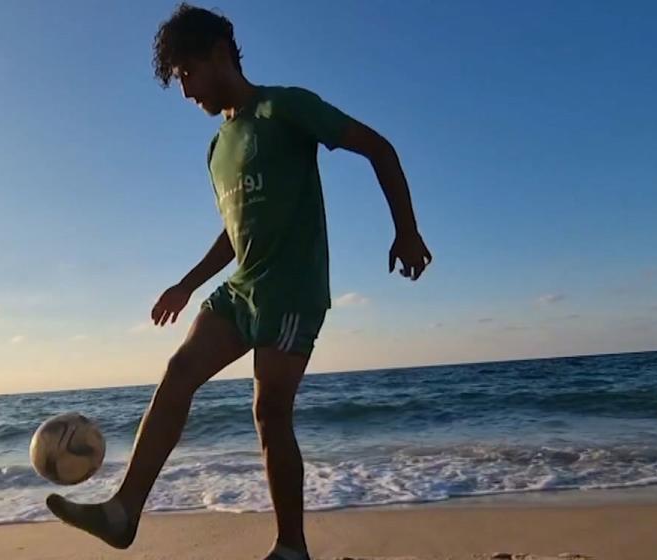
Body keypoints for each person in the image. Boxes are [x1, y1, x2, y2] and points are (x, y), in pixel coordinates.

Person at [45, 5, 432, 560]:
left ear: (219, 53)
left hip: (291, 289)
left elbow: (379, 148)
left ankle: (291, 548)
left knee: (269, 411)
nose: (185, 91)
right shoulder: (216, 148)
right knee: (178, 372)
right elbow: (235, 232)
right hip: (242, 288)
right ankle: (123, 511)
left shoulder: (284, 107)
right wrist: (186, 283)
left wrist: (407, 231)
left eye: (186, 74)